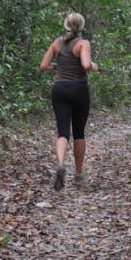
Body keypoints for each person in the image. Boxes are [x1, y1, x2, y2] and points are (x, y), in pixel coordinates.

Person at [40, 12, 97, 192]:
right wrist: (94, 66)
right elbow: (86, 65)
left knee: (62, 131)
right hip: (78, 89)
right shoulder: (83, 43)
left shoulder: (57, 43)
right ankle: (78, 175)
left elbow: (44, 66)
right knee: (79, 132)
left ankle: (60, 163)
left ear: (66, 25)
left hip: (59, 89)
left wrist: (57, 66)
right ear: (81, 26)